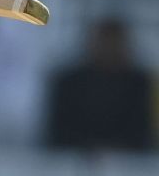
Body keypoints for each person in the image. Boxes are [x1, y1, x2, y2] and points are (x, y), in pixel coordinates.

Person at [44, 17, 156, 153]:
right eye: (104, 42)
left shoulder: (139, 83)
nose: (109, 49)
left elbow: (142, 131)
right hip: (70, 160)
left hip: (130, 164)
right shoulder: (67, 82)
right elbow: (57, 131)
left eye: (114, 43)